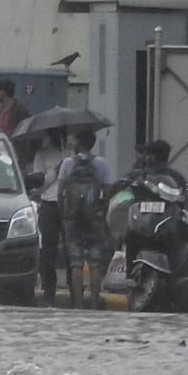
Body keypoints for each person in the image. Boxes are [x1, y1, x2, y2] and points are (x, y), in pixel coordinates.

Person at [57, 129, 114, 310]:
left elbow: (60, 192)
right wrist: (101, 211)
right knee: (95, 263)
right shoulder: (101, 164)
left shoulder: (67, 163)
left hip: (73, 219)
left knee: (76, 263)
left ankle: (79, 305)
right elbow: (108, 191)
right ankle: (95, 303)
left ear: (80, 143)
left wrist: (64, 213)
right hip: (94, 218)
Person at [29, 129, 70, 306]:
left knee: (70, 249)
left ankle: (74, 290)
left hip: (68, 204)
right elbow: (40, 185)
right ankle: (49, 291)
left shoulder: (70, 154)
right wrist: (57, 170)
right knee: (48, 251)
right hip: (49, 204)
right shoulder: (42, 155)